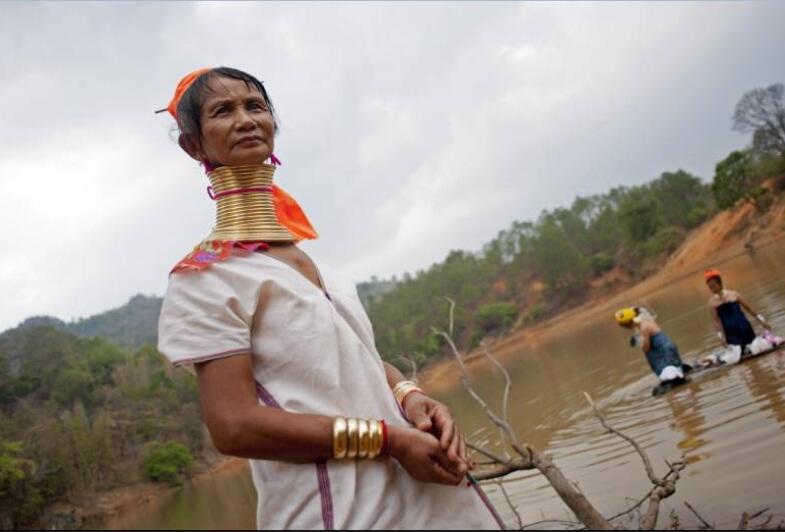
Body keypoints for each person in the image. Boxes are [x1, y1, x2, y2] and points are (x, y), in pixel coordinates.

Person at [156, 67, 501, 530]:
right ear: (193, 145)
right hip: (336, 512)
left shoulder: (315, 264)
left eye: (255, 106)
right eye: (223, 111)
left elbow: (354, 360)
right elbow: (233, 426)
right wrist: (389, 441)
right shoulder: (206, 279)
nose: (245, 119)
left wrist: (410, 395)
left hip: (424, 498)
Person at [615, 306, 691, 384]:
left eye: (625, 325)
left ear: (629, 323)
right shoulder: (645, 320)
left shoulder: (643, 328)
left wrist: (641, 344)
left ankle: (674, 377)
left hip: (664, 352)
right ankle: (679, 370)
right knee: (675, 366)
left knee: (651, 356)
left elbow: (646, 347)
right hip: (670, 347)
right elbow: (636, 310)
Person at [704, 269, 769, 351]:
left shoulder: (734, 294)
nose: (712, 289)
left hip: (745, 327)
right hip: (731, 333)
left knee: (754, 349)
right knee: (739, 353)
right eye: (710, 288)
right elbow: (716, 321)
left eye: (714, 286)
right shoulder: (712, 303)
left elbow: (749, 309)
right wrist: (720, 337)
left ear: (720, 284)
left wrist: (762, 321)